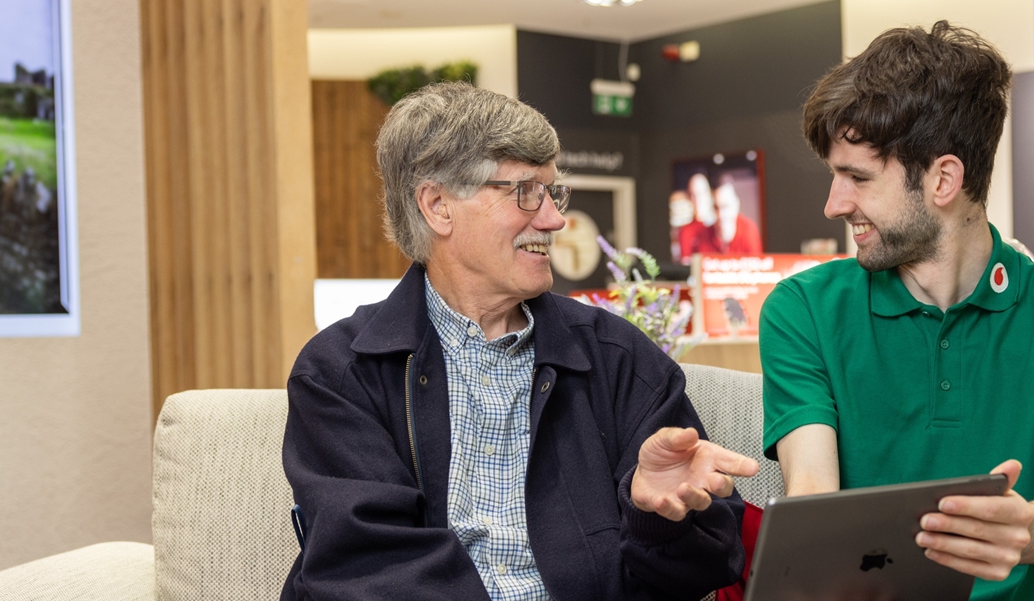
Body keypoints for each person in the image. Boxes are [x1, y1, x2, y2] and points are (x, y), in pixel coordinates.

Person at [281, 82, 758, 601]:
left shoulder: (618, 358)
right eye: (526, 191)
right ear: (438, 205)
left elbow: (710, 560)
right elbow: (369, 568)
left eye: (554, 191)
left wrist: (656, 519)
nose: (554, 219)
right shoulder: (341, 372)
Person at [761, 22, 1034, 600]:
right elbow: (813, 501)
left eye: (857, 178)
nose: (833, 204)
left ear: (943, 179)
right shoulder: (801, 310)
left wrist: (1021, 530)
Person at [675, 172, 721, 263]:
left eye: (701, 193)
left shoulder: (721, 224)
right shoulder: (685, 232)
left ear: (709, 194)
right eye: (693, 195)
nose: (697, 199)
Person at [712, 176, 763, 254]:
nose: (721, 215)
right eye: (716, 208)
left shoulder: (749, 231)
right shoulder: (704, 235)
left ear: (736, 205)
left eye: (726, 207)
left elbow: (757, 263)